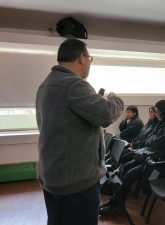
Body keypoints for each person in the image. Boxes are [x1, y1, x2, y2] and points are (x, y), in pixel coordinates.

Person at [35, 38, 124, 225]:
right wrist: (115, 99)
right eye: (90, 59)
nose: (89, 63)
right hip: (75, 181)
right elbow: (106, 114)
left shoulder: (45, 85)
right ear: (82, 58)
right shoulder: (74, 84)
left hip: (52, 175)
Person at [99, 100, 165, 216]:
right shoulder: (162, 123)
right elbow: (151, 138)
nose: (156, 113)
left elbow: (157, 142)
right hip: (151, 157)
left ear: (164, 112)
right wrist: (152, 140)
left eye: (157, 111)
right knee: (125, 167)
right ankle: (116, 200)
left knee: (130, 174)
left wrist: (152, 140)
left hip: (161, 163)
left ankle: (118, 204)